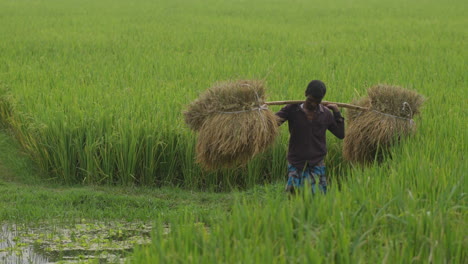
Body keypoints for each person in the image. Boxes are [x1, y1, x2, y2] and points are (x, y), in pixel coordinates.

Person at [276, 80, 345, 195]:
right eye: (310, 100)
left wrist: (337, 112)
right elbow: (272, 123)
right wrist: (262, 112)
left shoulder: (326, 114)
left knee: (317, 198)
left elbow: (340, 134)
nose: (313, 104)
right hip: (296, 162)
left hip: (316, 162)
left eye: (317, 102)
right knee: (293, 197)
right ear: (305, 94)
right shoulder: (292, 109)